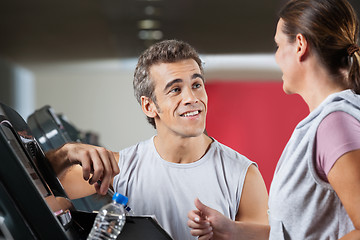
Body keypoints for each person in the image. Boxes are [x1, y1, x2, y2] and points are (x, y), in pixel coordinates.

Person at [46, 39, 269, 240]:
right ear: (149, 106)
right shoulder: (121, 167)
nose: (191, 98)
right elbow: (36, 190)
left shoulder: (242, 174)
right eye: (175, 89)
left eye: (196, 85)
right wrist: (67, 152)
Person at [187, 0, 360, 239]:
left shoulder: (335, 124)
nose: (277, 57)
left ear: (300, 45)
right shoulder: (325, 122)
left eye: (279, 45)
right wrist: (231, 230)